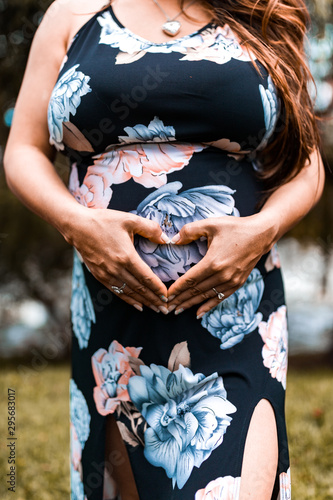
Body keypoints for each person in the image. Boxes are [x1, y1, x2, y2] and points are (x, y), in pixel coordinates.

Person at [4, 0, 325, 498]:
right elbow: (23, 149)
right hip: (115, 322)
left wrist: (264, 228)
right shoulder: (73, 13)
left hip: (235, 313)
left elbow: (306, 166)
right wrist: (77, 223)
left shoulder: (262, 12)